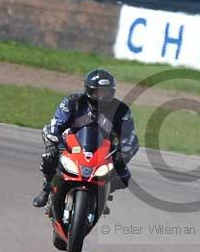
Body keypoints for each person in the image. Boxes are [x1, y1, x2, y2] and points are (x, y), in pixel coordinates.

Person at [32, 69, 139, 208]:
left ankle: (102, 194)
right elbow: (55, 125)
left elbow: (129, 137)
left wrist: (123, 153)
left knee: (124, 176)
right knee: (49, 158)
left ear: (112, 92)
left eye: (106, 92)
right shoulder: (73, 102)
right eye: (98, 92)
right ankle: (47, 189)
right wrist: (52, 142)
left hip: (103, 151)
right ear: (89, 90)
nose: (101, 96)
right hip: (71, 145)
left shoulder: (121, 110)